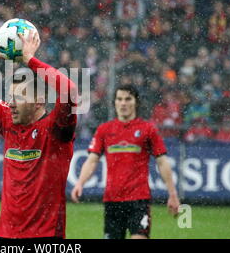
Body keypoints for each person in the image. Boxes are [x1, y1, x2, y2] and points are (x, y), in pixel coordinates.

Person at [0, 30, 78, 239]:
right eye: (10, 97)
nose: (10, 103)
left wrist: (29, 59)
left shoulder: (57, 129)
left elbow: (70, 90)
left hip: (45, 236)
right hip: (7, 236)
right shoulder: (8, 119)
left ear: (39, 101)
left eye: (18, 97)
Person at [71, 84, 180, 239]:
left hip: (139, 200)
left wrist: (172, 193)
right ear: (114, 102)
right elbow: (92, 160)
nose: (123, 103)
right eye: (119, 99)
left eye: (128, 99)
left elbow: (162, 162)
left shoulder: (147, 129)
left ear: (136, 102)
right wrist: (80, 183)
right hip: (112, 200)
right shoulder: (104, 130)